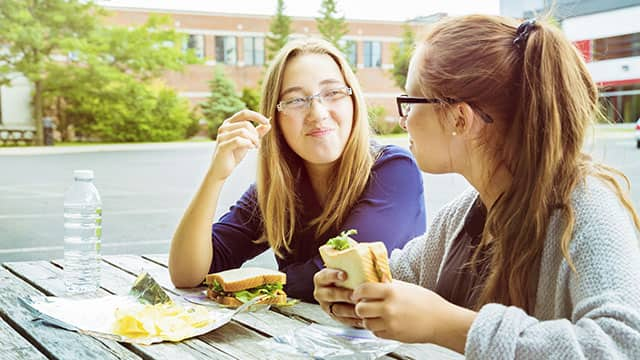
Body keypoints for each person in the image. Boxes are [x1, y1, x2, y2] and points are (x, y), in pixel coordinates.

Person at [313, 15, 640, 358]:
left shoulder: (588, 210)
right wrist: (351, 294)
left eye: (410, 100)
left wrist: (448, 326)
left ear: (459, 118)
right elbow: (402, 278)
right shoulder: (463, 217)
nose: (403, 118)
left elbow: (623, 345)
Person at [169, 38, 426, 302]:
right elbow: (187, 273)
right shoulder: (280, 189)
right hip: (301, 339)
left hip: (388, 341)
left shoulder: (393, 169)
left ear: (353, 101)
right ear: (275, 119)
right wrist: (216, 176)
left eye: (333, 93)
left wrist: (250, 288)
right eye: (295, 101)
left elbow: (343, 274)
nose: (317, 112)